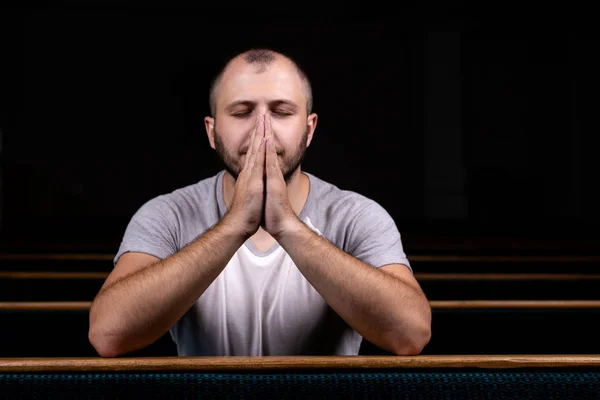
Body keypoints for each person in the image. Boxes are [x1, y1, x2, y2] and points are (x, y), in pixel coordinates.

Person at [88, 48, 432, 357]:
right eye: (241, 113)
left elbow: (410, 334)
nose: (261, 131)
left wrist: (287, 227)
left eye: (282, 112)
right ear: (211, 132)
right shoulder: (168, 214)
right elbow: (108, 334)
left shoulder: (357, 215)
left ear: (309, 130)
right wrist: (235, 224)